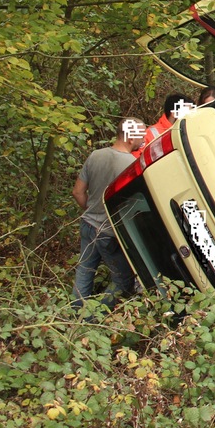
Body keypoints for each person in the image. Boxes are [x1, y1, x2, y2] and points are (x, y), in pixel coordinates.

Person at [72, 118, 144, 309]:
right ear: (130, 137)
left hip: (88, 224)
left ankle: (74, 316)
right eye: (141, 135)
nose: (144, 139)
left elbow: (78, 192)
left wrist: (92, 211)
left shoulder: (96, 155)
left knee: (84, 270)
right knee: (123, 281)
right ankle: (93, 318)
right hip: (108, 232)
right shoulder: (132, 166)